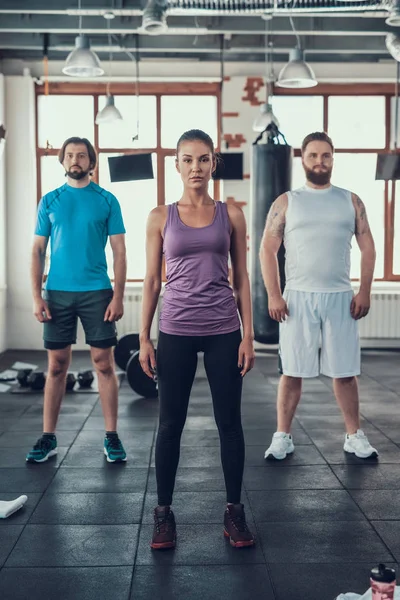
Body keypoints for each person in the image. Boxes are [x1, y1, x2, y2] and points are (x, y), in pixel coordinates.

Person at [140, 129, 255, 550]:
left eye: (203, 159)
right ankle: (164, 514)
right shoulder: (159, 216)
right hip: (175, 328)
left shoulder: (232, 214)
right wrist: (144, 337)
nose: (195, 167)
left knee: (230, 425)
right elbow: (153, 280)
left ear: (213, 163)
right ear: (176, 164)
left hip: (224, 327)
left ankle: (234, 512)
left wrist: (249, 335)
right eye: (187, 160)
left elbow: (242, 277)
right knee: (170, 424)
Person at [259, 131, 378, 461]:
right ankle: (282, 436)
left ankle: (354, 436)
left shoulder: (351, 200)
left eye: (325, 155)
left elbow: (368, 248)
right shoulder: (287, 201)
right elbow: (267, 250)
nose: (319, 161)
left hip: (340, 297)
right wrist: (273, 295)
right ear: (303, 159)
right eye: (313, 155)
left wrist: (365, 290)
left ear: (332, 159)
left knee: (345, 373)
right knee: (292, 372)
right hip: (297, 298)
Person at [26, 136, 127, 464]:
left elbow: (120, 252)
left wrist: (119, 296)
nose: (75, 160)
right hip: (57, 293)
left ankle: (111, 437)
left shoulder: (106, 200)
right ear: (62, 160)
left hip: (97, 292)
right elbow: (38, 251)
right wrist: (36, 296)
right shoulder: (50, 201)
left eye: (81, 155)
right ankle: (48, 438)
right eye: (70, 155)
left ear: (91, 161)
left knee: (103, 364)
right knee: (56, 367)